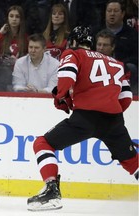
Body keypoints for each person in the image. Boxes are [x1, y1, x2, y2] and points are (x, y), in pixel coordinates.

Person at [27, 26, 138, 211]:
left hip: (85, 117)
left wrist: (62, 98)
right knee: (133, 161)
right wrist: (112, 115)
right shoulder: (118, 64)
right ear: (92, 44)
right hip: (114, 120)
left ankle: (51, 192)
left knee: (42, 144)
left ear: (73, 42)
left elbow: (66, 78)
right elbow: (125, 98)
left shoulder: (74, 54)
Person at [96, 0, 138, 95]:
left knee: (132, 68)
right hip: (98, 66)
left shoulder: (133, 34)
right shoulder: (96, 31)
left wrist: (119, 64)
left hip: (124, 67)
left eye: (115, 11)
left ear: (122, 14)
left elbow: (136, 56)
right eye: (109, 11)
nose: (112, 14)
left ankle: (132, 96)